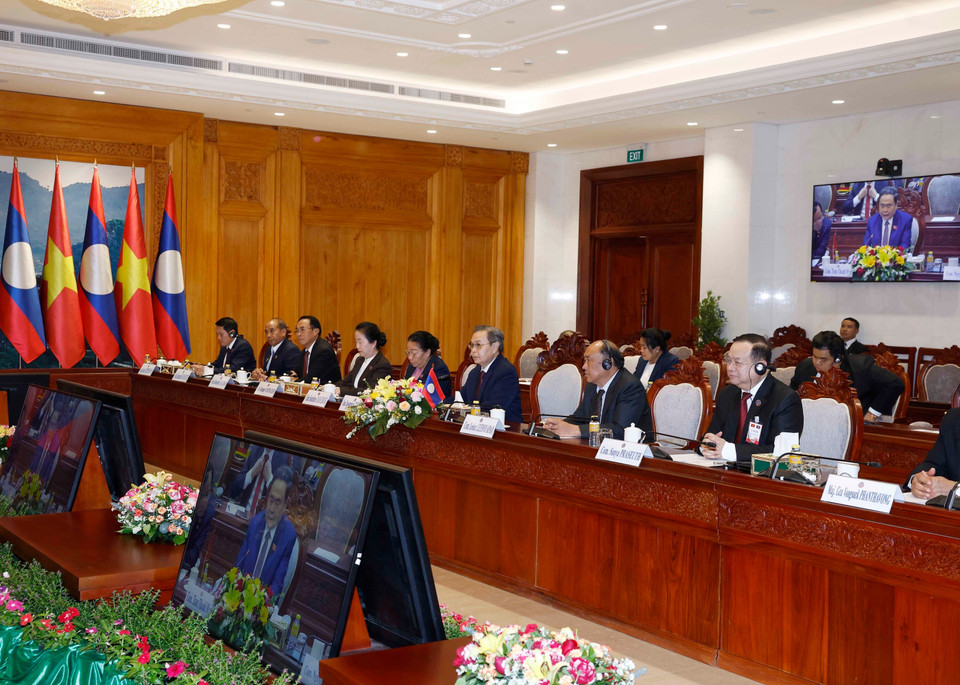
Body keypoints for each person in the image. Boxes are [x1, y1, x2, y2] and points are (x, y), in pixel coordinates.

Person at [701, 333, 803, 462]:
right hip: (721, 467)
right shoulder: (727, 394)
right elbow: (711, 436)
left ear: (760, 367)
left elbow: (781, 453)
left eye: (737, 362)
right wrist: (707, 446)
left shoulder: (785, 399)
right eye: (728, 360)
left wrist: (728, 450)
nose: (730, 368)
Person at [544, 340, 651, 439]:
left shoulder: (630, 387)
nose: (584, 366)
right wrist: (557, 426)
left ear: (607, 363)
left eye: (588, 360)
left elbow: (620, 429)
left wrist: (576, 430)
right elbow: (579, 418)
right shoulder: (592, 386)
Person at [790, 331, 904, 423]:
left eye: (823, 359)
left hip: (852, 424)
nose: (817, 363)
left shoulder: (861, 367)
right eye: (815, 357)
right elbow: (791, 395)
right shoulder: (805, 366)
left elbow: (895, 383)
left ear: (838, 359)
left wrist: (872, 414)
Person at [234, 466, 299, 597]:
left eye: (278, 503)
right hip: (240, 597)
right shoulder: (255, 523)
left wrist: (260, 603)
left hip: (263, 602)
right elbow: (238, 566)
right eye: (271, 500)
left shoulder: (288, 536)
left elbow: (277, 584)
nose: (272, 509)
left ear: (285, 503)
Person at [459, 325, 523, 424]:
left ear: (494, 347)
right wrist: (441, 404)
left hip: (504, 429)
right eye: (472, 345)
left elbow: (493, 407)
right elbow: (461, 399)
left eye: (478, 345)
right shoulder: (475, 372)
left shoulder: (506, 372)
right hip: (477, 425)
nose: (473, 351)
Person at [907, 408, 960, 500]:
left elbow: (951, 488)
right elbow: (934, 464)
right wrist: (919, 480)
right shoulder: (954, 418)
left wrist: (955, 489)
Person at [336, 322, 393, 394]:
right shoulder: (360, 360)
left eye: (360, 342)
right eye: (356, 342)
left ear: (373, 343)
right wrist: (331, 387)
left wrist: (341, 390)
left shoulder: (382, 365)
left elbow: (370, 391)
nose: (357, 346)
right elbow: (345, 382)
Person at [861, 186, 915, 251]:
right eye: (882, 206)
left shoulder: (905, 220)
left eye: (888, 206)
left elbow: (905, 245)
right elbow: (865, 246)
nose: (885, 210)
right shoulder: (872, 221)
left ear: (896, 205)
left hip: (895, 256)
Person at [403, 330, 452, 398]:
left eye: (414, 353)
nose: (410, 357)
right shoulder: (412, 366)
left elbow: (434, 398)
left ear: (427, 352)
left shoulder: (438, 368)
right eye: (408, 352)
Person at [293, 315, 341, 384]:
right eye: (297, 331)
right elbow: (296, 372)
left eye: (302, 330)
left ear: (315, 331)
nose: (299, 334)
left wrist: (292, 383)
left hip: (326, 389)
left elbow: (311, 378)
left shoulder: (324, 351)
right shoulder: (305, 352)